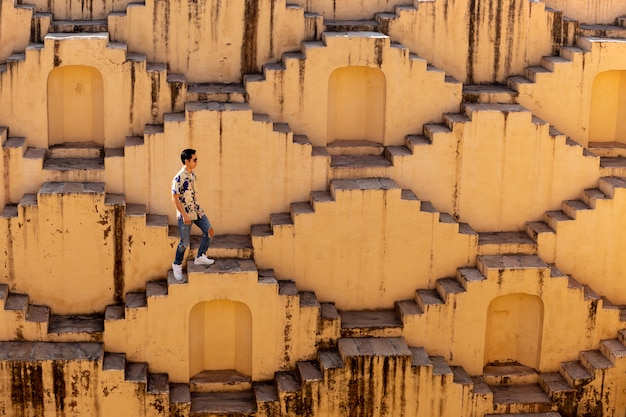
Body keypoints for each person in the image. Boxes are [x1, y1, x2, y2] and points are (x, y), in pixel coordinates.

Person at [171, 148, 215, 281]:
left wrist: (197, 210)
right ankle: (177, 264)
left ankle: (200, 256)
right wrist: (184, 215)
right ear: (187, 161)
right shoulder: (179, 177)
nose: (197, 162)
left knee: (209, 231)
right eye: (194, 160)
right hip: (185, 213)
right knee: (184, 243)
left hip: (196, 209)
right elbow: (175, 198)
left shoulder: (193, 175)